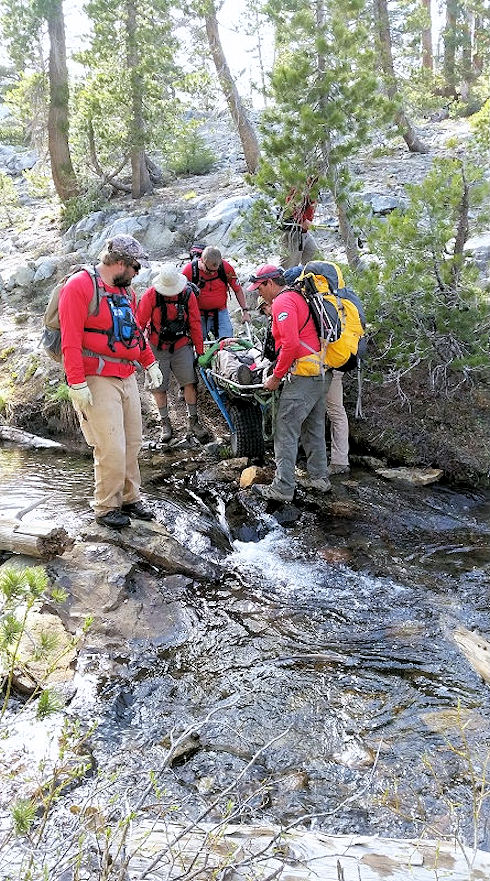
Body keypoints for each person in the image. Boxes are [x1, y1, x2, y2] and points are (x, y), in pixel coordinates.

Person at [58, 234, 163, 530]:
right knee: (110, 446)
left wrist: (150, 362)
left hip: (126, 374)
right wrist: (76, 383)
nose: (137, 274)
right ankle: (106, 508)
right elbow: (70, 340)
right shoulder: (79, 286)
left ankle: (130, 498)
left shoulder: (125, 290)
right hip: (96, 377)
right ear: (119, 263)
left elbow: (134, 333)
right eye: (135, 268)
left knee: (133, 442)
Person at [247, 264, 331, 501]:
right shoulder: (297, 296)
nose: (258, 293)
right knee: (313, 427)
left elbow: (291, 345)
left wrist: (276, 377)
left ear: (270, 283)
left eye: (260, 288)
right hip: (320, 372)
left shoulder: (282, 303)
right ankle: (319, 478)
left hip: (303, 375)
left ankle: (283, 488)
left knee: (285, 429)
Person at [283, 265, 350, 475]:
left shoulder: (310, 301)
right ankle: (336, 459)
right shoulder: (330, 299)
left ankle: (338, 462)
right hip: (338, 356)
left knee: (328, 411)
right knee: (331, 411)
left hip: (326, 363)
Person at [136, 264, 208, 442]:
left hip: (182, 344)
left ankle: (193, 420)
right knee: (158, 386)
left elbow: (195, 323)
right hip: (157, 346)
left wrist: (200, 352)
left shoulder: (187, 294)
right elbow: (139, 323)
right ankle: (165, 423)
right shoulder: (151, 295)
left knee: (189, 382)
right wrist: (138, 352)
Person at [182, 245, 250, 339]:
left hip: (221, 312)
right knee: (197, 344)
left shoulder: (226, 268)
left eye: (215, 271)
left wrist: (245, 311)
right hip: (198, 314)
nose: (213, 273)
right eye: (209, 271)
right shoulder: (190, 270)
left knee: (227, 343)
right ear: (202, 261)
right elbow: (180, 294)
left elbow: (237, 289)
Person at [280, 177, 319, 269]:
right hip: (292, 232)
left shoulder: (313, 187)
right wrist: (304, 220)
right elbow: (291, 204)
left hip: (304, 232)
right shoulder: (298, 182)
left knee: (315, 260)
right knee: (289, 267)